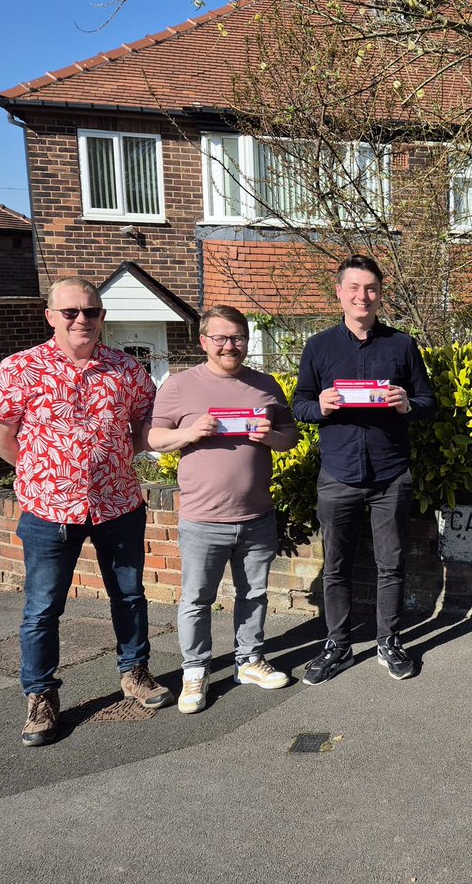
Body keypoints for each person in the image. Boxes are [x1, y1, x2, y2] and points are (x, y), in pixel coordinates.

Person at [0, 277, 173, 747]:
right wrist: (45, 474)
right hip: (49, 511)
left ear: (103, 316)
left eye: (91, 311)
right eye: (71, 312)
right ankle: (40, 696)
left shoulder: (128, 369)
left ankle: (135, 673)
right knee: (43, 609)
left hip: (118, 505)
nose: (82, 319)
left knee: (129, 596)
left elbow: (147, 429)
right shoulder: (19, 369)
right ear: (51, 316)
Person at [292, 254, 437, 684]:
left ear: (380, 294)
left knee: (391, 564)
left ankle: (388, 641)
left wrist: (408, 404)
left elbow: (430, 403)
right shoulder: (318, 347)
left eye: (370, 289)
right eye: (354, 288)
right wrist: (317, 406)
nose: (362, 296)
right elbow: (298, 404)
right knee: (336, 564)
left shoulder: (402, 345)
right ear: (339, 293)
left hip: (390, 475)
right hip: (337, 474)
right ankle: (337, 643)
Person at [148, 305, 300, 713]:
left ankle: (249, 661)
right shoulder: (180, 386)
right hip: (202, 518)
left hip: (257, 515)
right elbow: (153, 437)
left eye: (238, 338)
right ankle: (194, 673)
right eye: (221, 338)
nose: (230, 345)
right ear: (203, 341)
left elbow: (291, 437)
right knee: (197, 599)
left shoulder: (266, 385)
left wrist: (271, 436)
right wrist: (188, 433)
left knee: (255, 594)